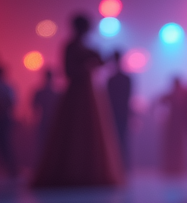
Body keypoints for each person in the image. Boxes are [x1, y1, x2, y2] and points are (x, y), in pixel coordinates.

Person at [32, 13, 122, 188]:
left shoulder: (84, 46)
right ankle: (71, 172)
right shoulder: (71, 46)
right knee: (74, 131)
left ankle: (88, 172)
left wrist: (97, 62)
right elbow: (68, 71)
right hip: (77, 94)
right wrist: (88, 66)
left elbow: (98, 63)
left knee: (88, 132)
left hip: (88, 94)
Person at [107, 50, 132, 169]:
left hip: (116, 113)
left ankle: (119, 165)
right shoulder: (125, 79)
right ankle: (121, 165)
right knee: (121, 139)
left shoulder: (112, 80)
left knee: (119, 139)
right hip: (119, 113)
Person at [159, 76, 187, 176]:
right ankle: (174, 167)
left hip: (175, 125)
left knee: (175, 147)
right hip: (176, 125)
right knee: (175, 147)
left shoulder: (178, 95)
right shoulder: (181, 95)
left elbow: (160, 101)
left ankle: (174, 167)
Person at [32, 69, 59, 157]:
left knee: (44, 143)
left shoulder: (40, 92)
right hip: (51, 121)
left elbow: (35, 107)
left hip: (46, 120)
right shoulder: (56, 93)